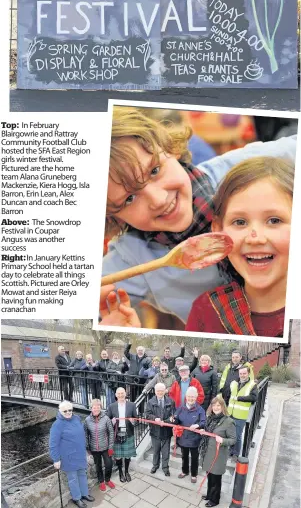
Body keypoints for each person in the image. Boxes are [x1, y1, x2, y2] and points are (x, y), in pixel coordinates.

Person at [99, 108, 296, 329]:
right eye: (130, 198)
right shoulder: (130, 259)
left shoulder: (242, 171)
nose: (159, 200)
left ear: (169, 149)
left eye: (154, 171)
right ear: (112, 216)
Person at [186, 157, 294, 337]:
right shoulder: (206, 311)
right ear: (218, 231)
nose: (255, 238)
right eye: (240, 222)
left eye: (274, 220)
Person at [49, 401, 95, 508]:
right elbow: (53, 444)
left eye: (70, 410)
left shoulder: (77, 418)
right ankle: (77, 498)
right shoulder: (57, 425)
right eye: (65, 411)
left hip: (80, 454)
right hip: (68, 457)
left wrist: (85, 450)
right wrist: (56, 459)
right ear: (60, 411)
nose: (68, 412)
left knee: (83, 474)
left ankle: (84, 494)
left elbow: (81, 435)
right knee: (73, 479)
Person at [199, 397, 237, 507]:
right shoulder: (210, 418)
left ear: (222, 407)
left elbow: (233, 439)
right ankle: (209, 494)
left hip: (218, 454)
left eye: (218, 405)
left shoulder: (229, 422)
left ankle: (214, 500)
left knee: (215, 477)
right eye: (214, 405)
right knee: (209, 474)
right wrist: (203, 431)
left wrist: (223, 440)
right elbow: (209, 432)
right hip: (207, 451)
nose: (216, 407)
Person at [171, 386, 206, 483]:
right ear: (186, 397)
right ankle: (185, 471)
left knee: (194, 458)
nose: (191, 399)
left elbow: (204, 422)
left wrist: (197, 425)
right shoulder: (181, 408)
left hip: (195, 439)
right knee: (184, 456)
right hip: (183, 438)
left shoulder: (200, 409)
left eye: (193, 397)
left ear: (196, 397)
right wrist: (173, 420)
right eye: (189, 396)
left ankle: (194, 474)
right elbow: (176, 419)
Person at [107, 387, 138, 482]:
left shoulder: (132, 405)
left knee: (128, 455)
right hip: (117, 433)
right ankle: (120, 472)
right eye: (119, 394)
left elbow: (136, 420)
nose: (120, 395)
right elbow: (108, 421)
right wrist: (111, 422)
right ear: (116, 395)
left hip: (128, 432)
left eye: (122, 393)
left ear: (125, 394)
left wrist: (133, 421)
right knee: (118, 456)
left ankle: (127, 472)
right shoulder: (111, 406)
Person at [84, 399, 115, 492]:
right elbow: (85, 434)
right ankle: (101, 481)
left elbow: (111, 433)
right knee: (98, 466)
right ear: (91, 408)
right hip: (94, 448)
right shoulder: (87, 420)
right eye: (94, 407)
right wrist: (87, 447)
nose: (96, 409)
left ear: (100, 408)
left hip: (105, 447)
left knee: (109, 464)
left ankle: (107, 480)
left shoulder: (106, 419)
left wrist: (110, 447)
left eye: (98, 407)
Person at [227, 366, 258, 460]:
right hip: (230, 413)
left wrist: (239, 398)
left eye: (244, 373)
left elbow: (254, 398)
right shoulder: (234, 383)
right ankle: (231, 450)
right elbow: (228, 395)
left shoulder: (252, 384)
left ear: (248, 373)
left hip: (241, 414)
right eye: (241, 373)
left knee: (237, 435)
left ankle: (236, 453)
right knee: (231, 434)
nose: (242, 375)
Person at [145, 383, 175, 476]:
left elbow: (173, 416)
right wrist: (155, 419)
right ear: (155, 391)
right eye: (158, 390)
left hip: (166, 431)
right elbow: (147, 414)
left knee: (166, 451)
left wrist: (167, 421)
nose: (160, 392)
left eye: (162, 390)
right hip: (155, 431)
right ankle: (155, 465)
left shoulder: (171, 401)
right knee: (156, 450)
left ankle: (165, 468)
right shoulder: (150, 402)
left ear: (165, 390)